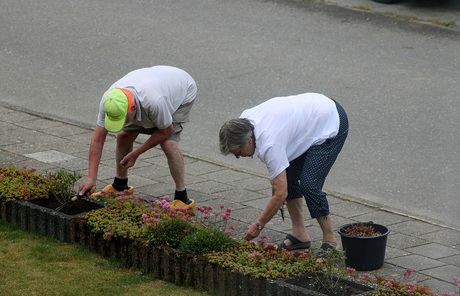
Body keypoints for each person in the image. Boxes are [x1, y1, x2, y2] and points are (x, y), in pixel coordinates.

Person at [219, 93, 348, 253]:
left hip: (330, 121)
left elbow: (280, 193)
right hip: (309, 118)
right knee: (290, 177)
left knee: (310, 186)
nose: (238, 156)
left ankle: (330, 241)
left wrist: (258, 225)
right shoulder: (243, 124)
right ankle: (299, 234)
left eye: (237, 151)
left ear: (249, 141)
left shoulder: (269, 144)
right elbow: (279, 185)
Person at [79, 65, 197, 212]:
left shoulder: (154, 101)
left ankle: (182, 198)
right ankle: (120, 187)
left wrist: (136, 153)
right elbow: (97, 140)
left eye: (123, 118)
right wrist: (91, 178)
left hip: (181, 89)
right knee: (123, 136)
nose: (121, 123)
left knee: (168, 144)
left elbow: (166, 131)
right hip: (155, 83)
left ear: (133, 107)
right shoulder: (109, 100)